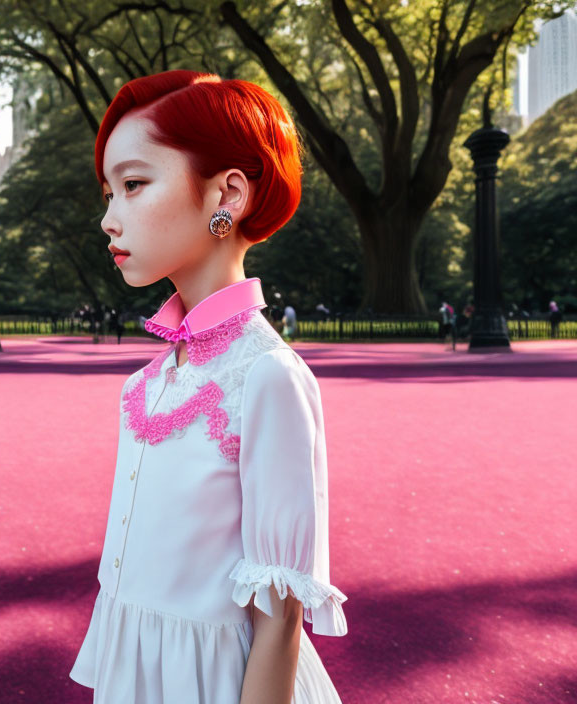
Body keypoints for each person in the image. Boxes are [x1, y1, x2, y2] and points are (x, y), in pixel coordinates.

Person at [70, 70, 347, 703]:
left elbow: (279, 621)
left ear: (228, 194)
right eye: (108, 193)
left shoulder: (268, 377)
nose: (109, 219)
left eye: (134, 185)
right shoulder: (145, 384)